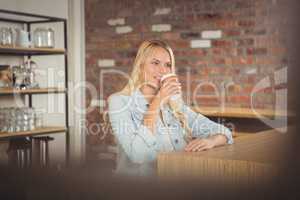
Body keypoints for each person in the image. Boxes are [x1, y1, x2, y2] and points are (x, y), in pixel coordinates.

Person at [107, 40, 233, 177]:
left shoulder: (174, 105)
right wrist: (158, 100)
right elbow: (138, 155)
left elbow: (224, 132)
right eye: (155, 63)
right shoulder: (118, 102)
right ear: (141, 66)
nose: (162, 70)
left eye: (168, 65)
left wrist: (210, 141)